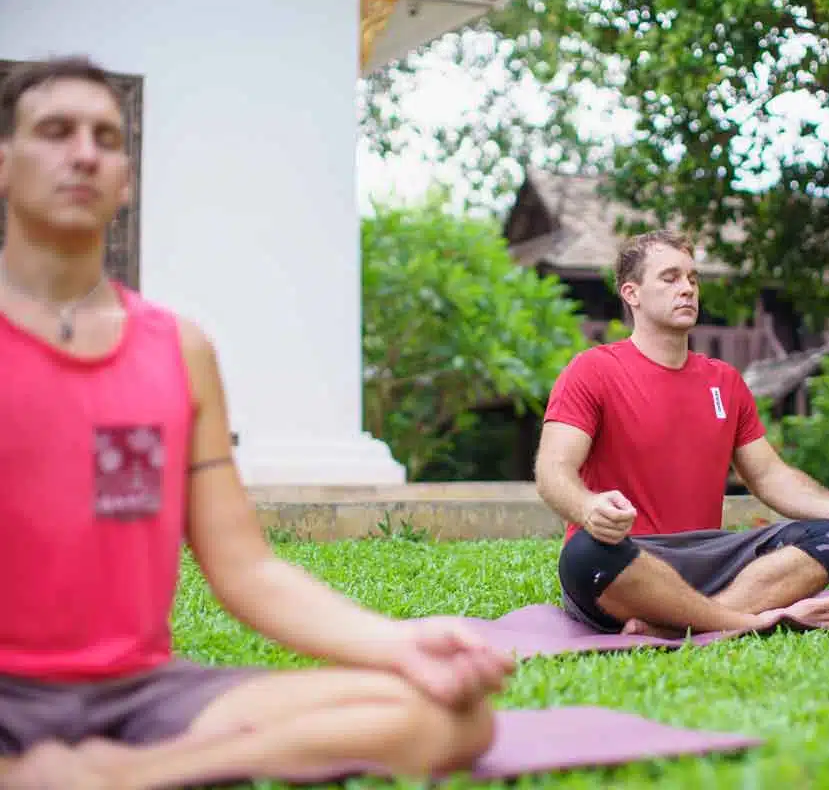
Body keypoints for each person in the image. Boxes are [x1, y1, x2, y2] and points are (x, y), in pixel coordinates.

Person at [0, 56, 514, 789]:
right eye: (55, 131)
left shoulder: (179, 349)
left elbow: (247, 569)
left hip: (141, 696)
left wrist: (398, 642)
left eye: (107, 138)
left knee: (448, 715)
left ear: (126, 178)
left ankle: (131, 775)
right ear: (5, 165)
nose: (84, 152)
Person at [534, 229, 829, 638]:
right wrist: (587, 508)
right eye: (670, 278)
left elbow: (769, 476)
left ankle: (678, 626)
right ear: (631, 294)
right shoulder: (592, 370)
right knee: (584, 554)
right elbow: (553, 470)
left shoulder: (724, 380)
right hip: (628, 560)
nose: (686, 289)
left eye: (692, 278)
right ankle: (742, 621)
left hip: (708, 558)